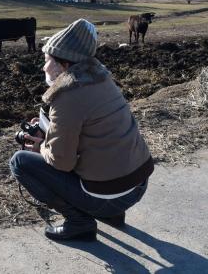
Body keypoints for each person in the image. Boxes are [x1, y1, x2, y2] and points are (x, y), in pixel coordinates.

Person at [9, 18, 154, 241]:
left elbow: (61, 162)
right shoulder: (102, 78)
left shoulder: (67, 96)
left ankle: (79, 222)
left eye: (47, 60)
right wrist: (51, 134)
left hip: (109, 195)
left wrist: (42, 147)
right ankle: (114, 214)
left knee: (19, 161)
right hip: (137, 184)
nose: (43, 66)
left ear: (65, 65)